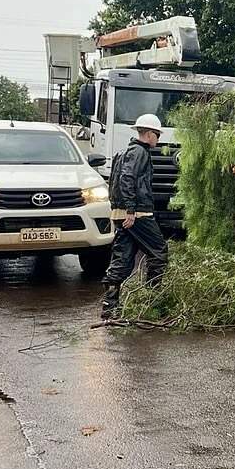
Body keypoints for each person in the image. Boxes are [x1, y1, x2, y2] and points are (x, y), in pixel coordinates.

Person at [100, 113, 170, 319]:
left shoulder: (124, 152)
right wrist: (131, 210)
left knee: (122, 258)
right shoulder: (140, 152)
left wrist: (123, 210)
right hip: (138, 213)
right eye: (157, 135)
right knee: (158, 252)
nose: (158, 139)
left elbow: (116, 181)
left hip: (121, 213)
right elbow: (127, 178)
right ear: (149, 134)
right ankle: (153, 301)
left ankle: (110, 307)